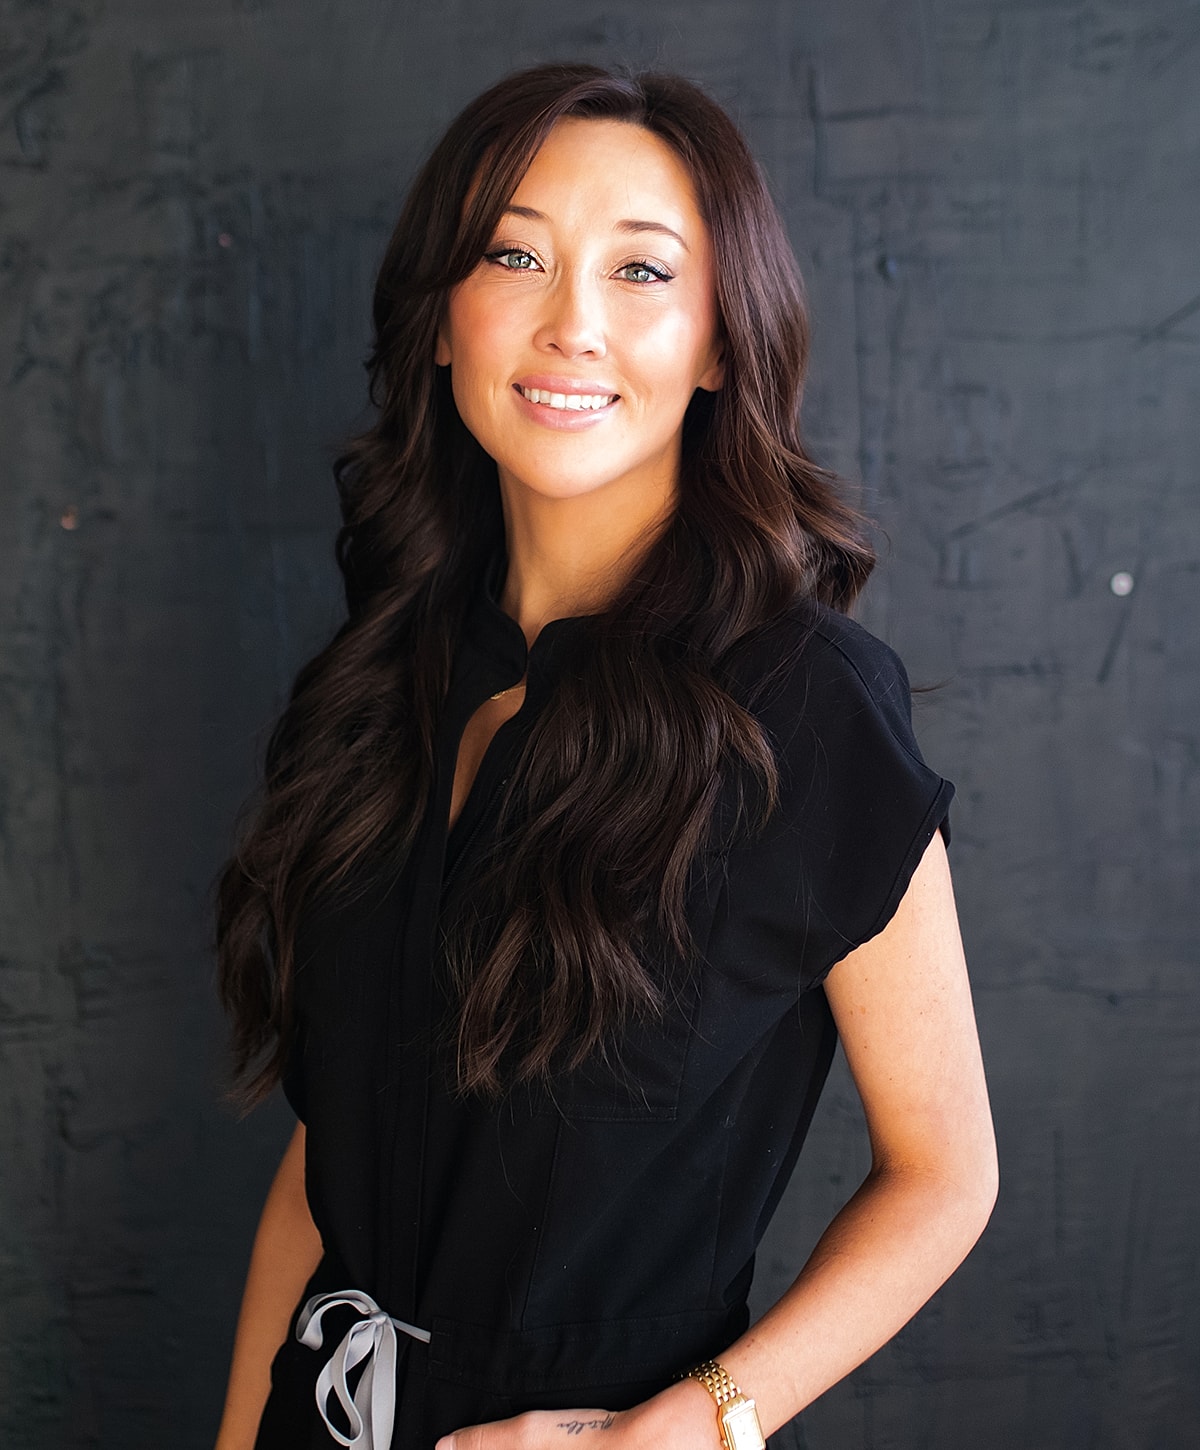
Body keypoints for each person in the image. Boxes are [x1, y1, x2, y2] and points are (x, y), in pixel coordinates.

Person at [211, 62, 998, 1450]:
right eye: (514, 252)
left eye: (642, 272)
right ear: (444, 320)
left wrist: (692, 1429)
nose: (571, 321)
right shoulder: (381, 674)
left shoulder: (809, 710)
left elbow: (946, 1174)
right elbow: (325, 1160)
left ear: (716, 341)